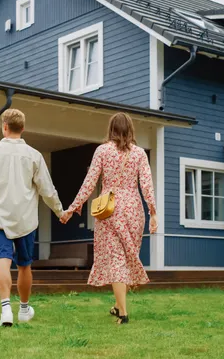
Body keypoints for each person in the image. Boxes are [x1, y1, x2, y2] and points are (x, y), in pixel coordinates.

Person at [60, 112, 158, 325]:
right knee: (126, 258)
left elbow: (89, 182)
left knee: (116, 260)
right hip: (134, 209)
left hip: (109, 209)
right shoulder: (140, 154)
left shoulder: (102, 151)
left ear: (111, 129)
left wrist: (72, 208)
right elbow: (147, 185)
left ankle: (123, 313)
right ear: (130, 129)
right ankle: (118, 306)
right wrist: (153, 213)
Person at [0, 109, 64, 327]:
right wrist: (60, 212)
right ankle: (24, 310)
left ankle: (6, 310)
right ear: (23, 128)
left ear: (4, 126)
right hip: (26, 220)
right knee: (24, 266)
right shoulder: (34, 155)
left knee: (3, 262)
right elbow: (47, 189)